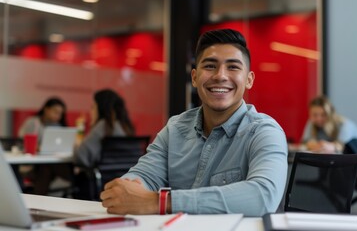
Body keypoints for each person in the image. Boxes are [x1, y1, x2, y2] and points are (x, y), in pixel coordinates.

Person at [100, 29, 288, 216]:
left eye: (233, 67)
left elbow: (263, 196)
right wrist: (127, 190)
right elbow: (145, 176)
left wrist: (161, 202)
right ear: (195, 77)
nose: (220, 76)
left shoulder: (264, 132)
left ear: (249, 80)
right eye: (210, 66)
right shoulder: (175, 128)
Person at [17, 97, 71, 195]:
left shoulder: (58, 127)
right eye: (55, 112)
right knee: (46, 169)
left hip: (49, 164)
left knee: (46, 169)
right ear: (46, 109)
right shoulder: (33, 122)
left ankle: (38, 197)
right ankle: (73, 179)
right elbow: (24, 142)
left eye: (60, 113)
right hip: (31, 165)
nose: (58, 116)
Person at [73, 89, 135, 168]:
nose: (90, 111)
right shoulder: (126, 127)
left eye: (93, 107)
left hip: (104, 179)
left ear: (101, 108)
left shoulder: (104, 126)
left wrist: (76, 144)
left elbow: (80, 158)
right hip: (124, 177)